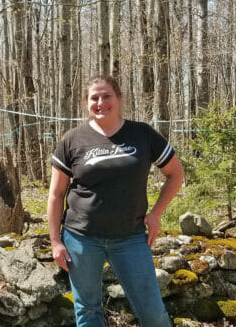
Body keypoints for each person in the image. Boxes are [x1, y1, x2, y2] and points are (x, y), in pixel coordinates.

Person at [47, 75, 184, 327]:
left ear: (119, 98)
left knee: (153, 313)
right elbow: (56, 195)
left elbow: (176, 173)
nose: (101, 102)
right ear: (86, 103)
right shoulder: (73, 139)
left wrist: (155, 214)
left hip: (130, 238)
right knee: (87, 311)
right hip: (81, 239)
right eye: (94, 98)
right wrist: (55, 241)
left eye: (106, 96)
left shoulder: (142, 134)